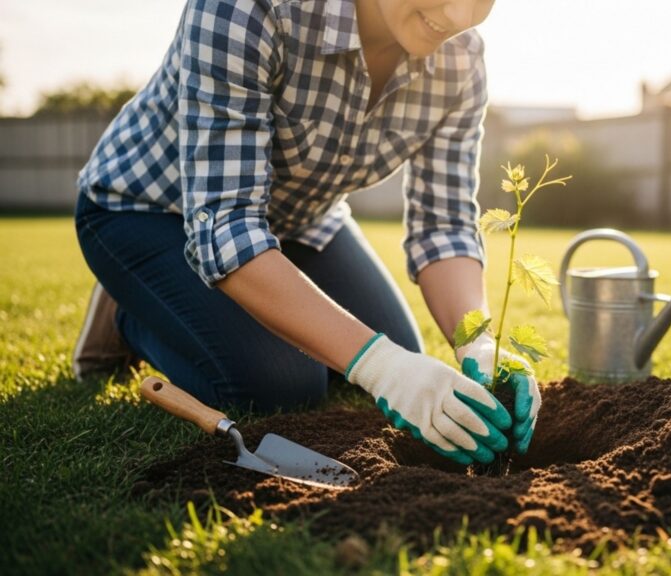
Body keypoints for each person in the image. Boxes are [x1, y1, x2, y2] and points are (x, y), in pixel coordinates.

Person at [71, 0, 540, 466]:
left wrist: (477, 340)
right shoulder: (251, 8)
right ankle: (129, 313)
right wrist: (384, 369)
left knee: (399, 346)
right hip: (146, 209)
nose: (459, 18)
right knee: (284, 383)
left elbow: (444, 224)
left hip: (299, 219)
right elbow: (228, 226)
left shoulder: (462, 59)